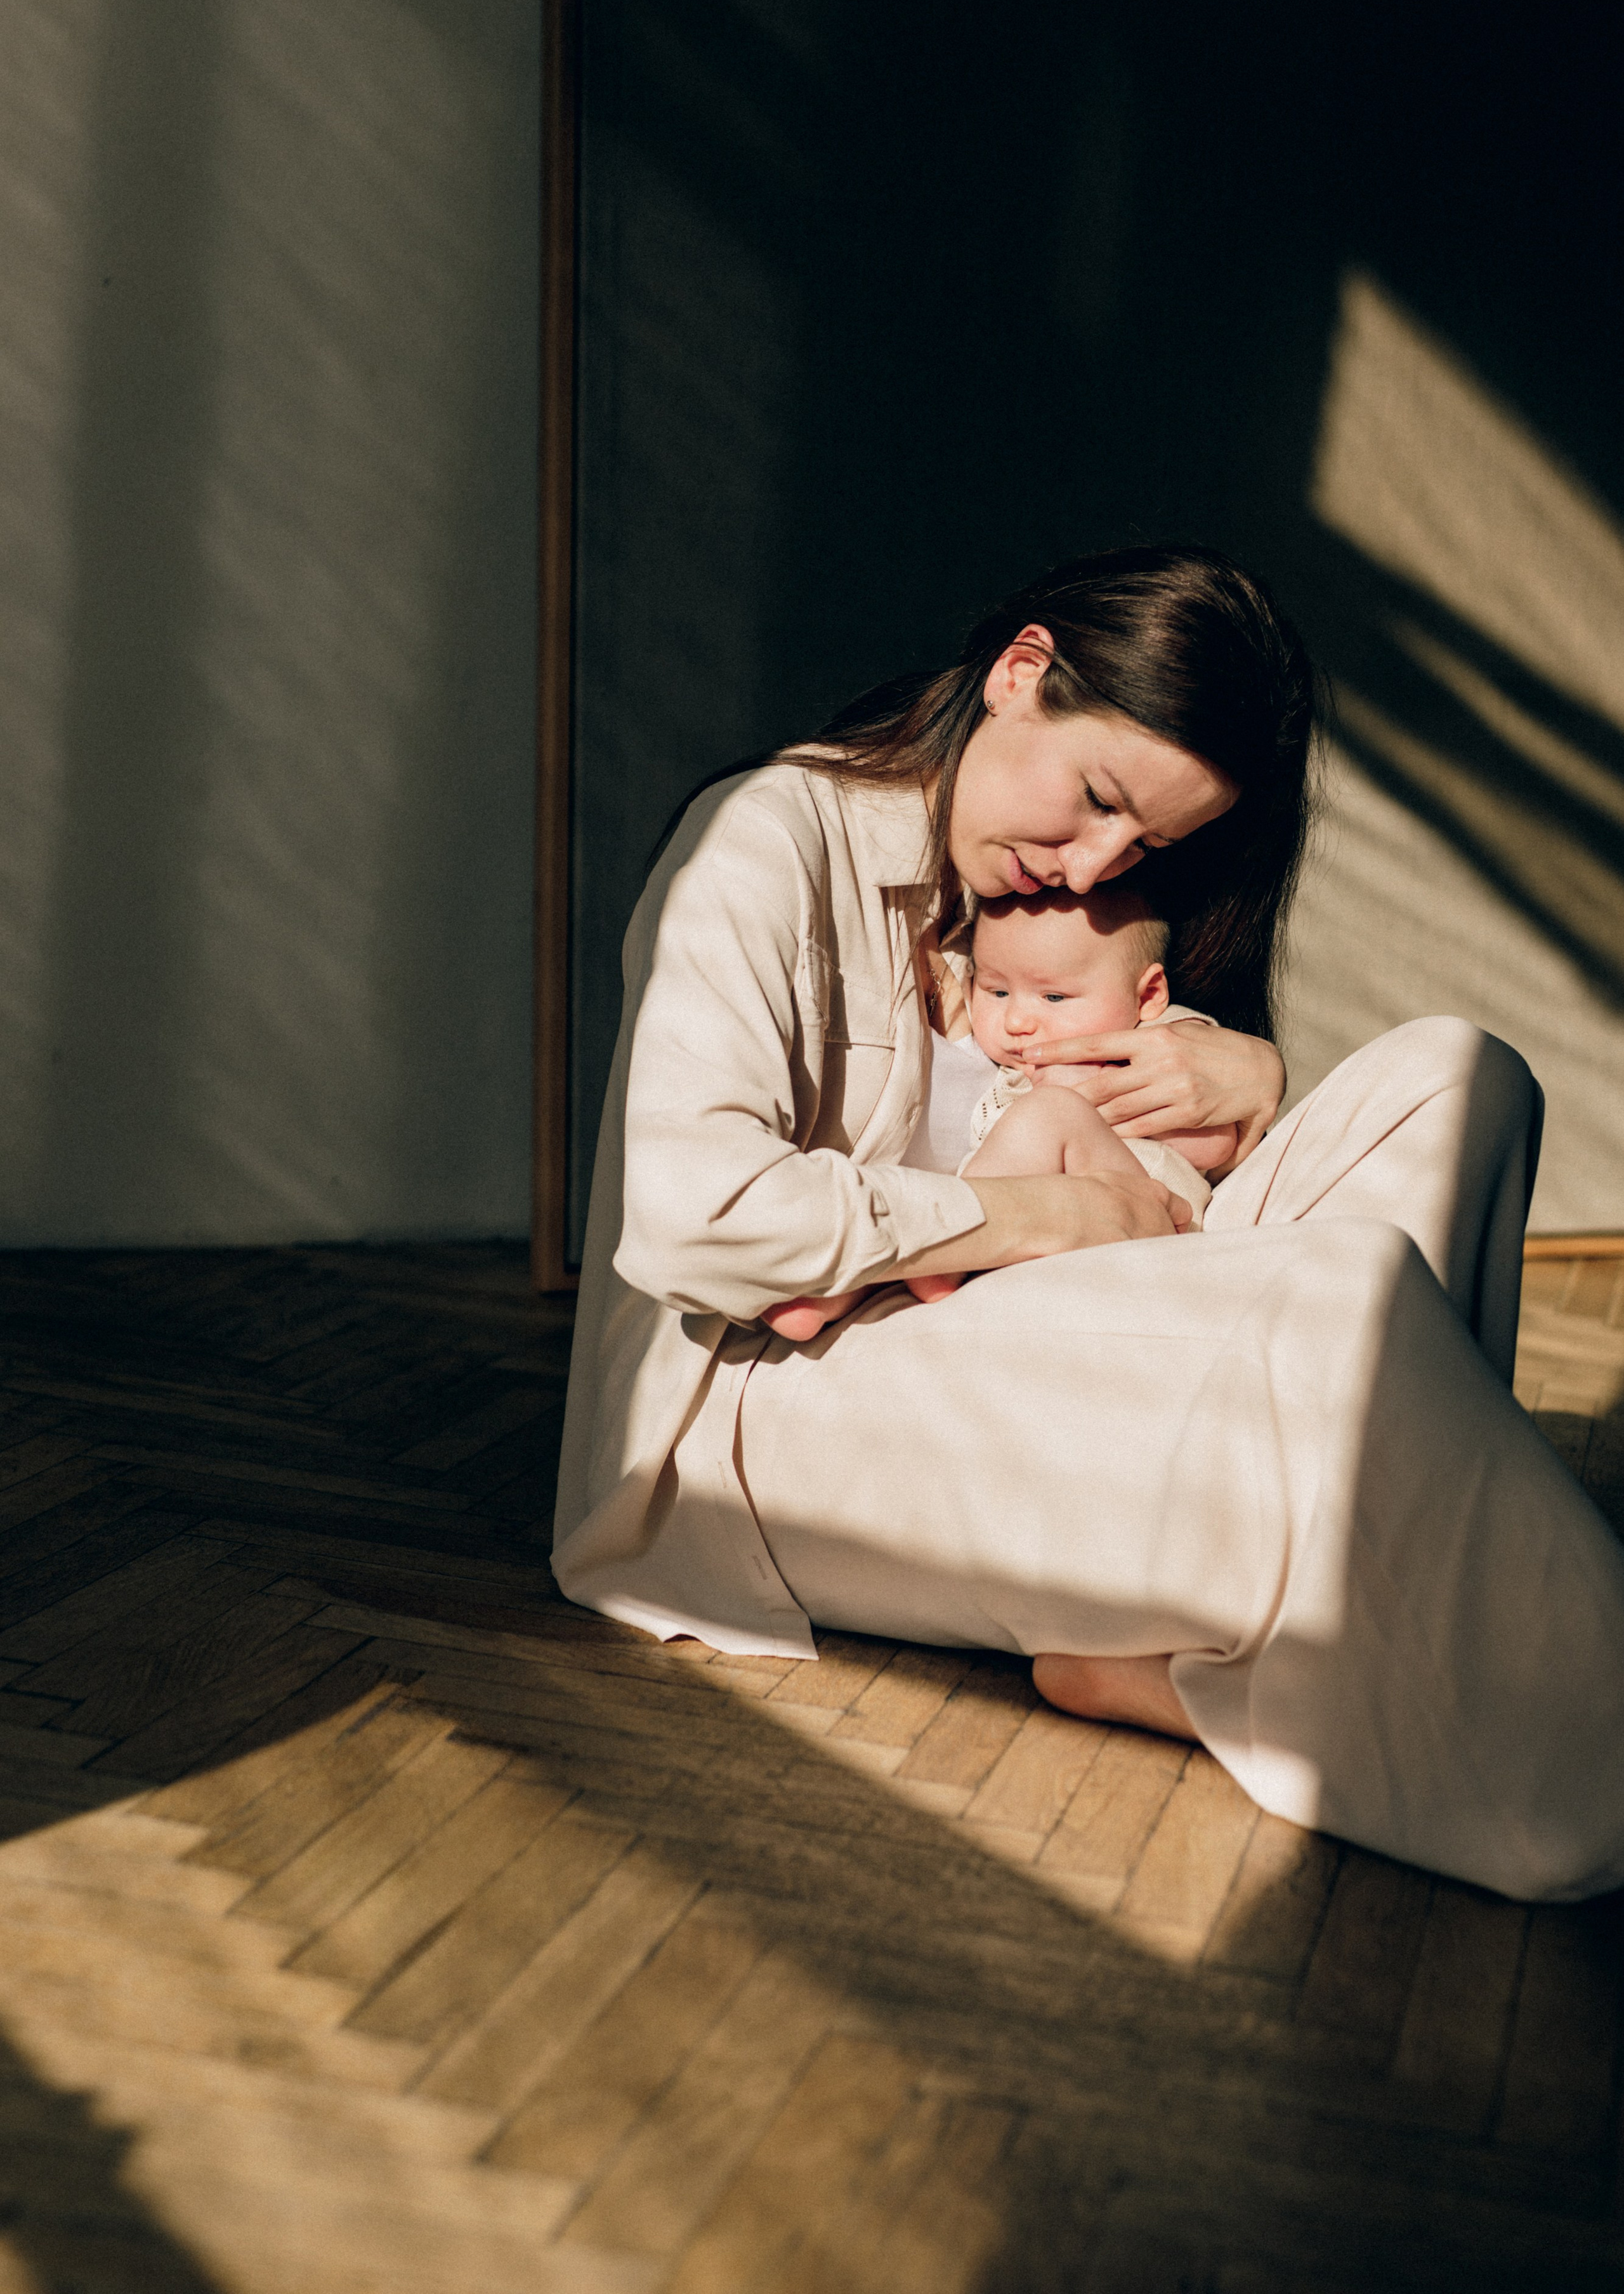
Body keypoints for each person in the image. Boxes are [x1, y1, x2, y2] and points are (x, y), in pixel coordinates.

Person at [553, 544, 1624, 1902]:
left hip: (1051, 1326)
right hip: (779, 1400)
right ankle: (1548, 1735)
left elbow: (1155, 1191)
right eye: (1101, 799)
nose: (1098, 864)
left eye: (1148, 848)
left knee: (1461, 1077)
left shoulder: (1061, 890)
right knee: (1345, 1293)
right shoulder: (770, 837)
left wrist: (1252, 1088)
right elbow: (695, 1217)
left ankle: (1223, 1643)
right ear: (1020, 673)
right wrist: (1036, 1215)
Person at [761, 884, 1235, 1337]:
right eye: (997, 991)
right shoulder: (999, 1072)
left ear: (1147, 995)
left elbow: (1216, 1141)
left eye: (1054, 997)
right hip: (1029, 1226)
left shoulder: (1156, 1042)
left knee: (1052, 1113)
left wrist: (1096, 1093)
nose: (1017, 1021)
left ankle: (938, 1254)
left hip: (1152, 1217)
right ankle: (843, 1287)